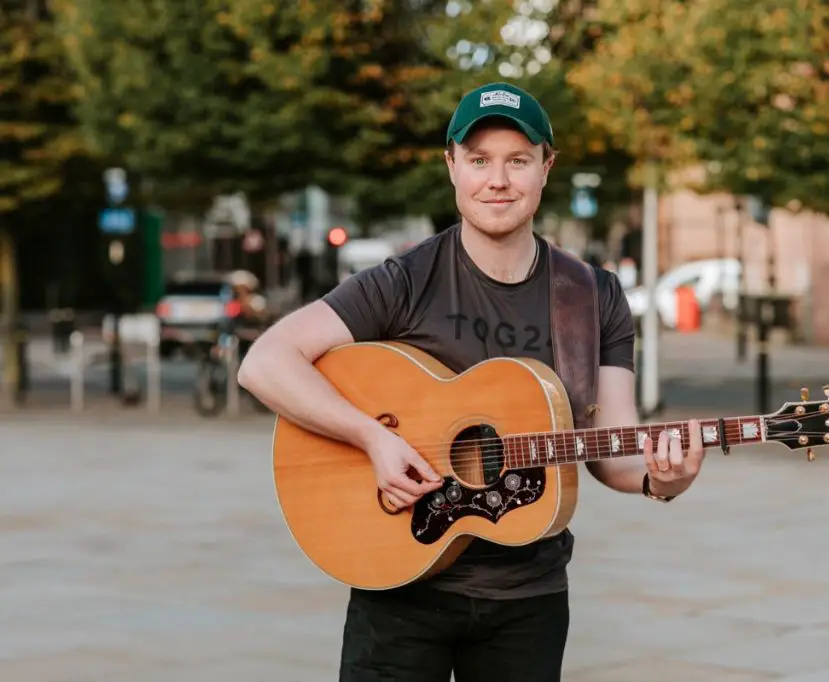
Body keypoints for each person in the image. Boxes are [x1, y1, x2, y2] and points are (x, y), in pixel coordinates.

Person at [237, 81, 706, 682]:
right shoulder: (403, 280)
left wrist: (663, 480)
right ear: (452, 166)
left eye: (518, 160)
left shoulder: (592, 297)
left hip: (527, 601)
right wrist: (371, 438)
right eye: (479, 160)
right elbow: (266, 362)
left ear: (546, 169)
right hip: (399, 581)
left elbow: (613, 450)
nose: (498, 180)